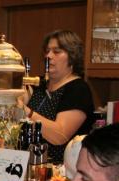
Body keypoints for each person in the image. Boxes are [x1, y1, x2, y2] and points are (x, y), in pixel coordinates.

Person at [20, 30, 94, 163]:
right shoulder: (39, 84)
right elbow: (17, 101)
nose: (48, 56)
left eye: (56, 51)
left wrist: (27, 112)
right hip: (29, 162)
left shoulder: (78, 89)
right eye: (47, 51)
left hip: (60, 168)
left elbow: (60, 136)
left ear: (72, 56)